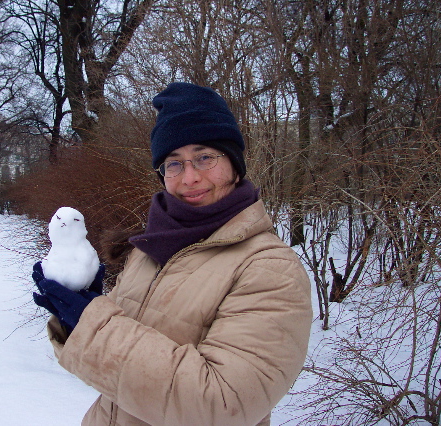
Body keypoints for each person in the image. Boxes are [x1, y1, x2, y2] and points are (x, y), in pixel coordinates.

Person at [31, 82, 312, 426]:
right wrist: (77, 317)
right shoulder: (152, 249)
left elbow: (224, 405)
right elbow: (118, 368)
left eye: (205, 157)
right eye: (174, 163)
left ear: (236, 165)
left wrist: (94, 324)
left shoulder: (270, 269)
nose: (189, 177)